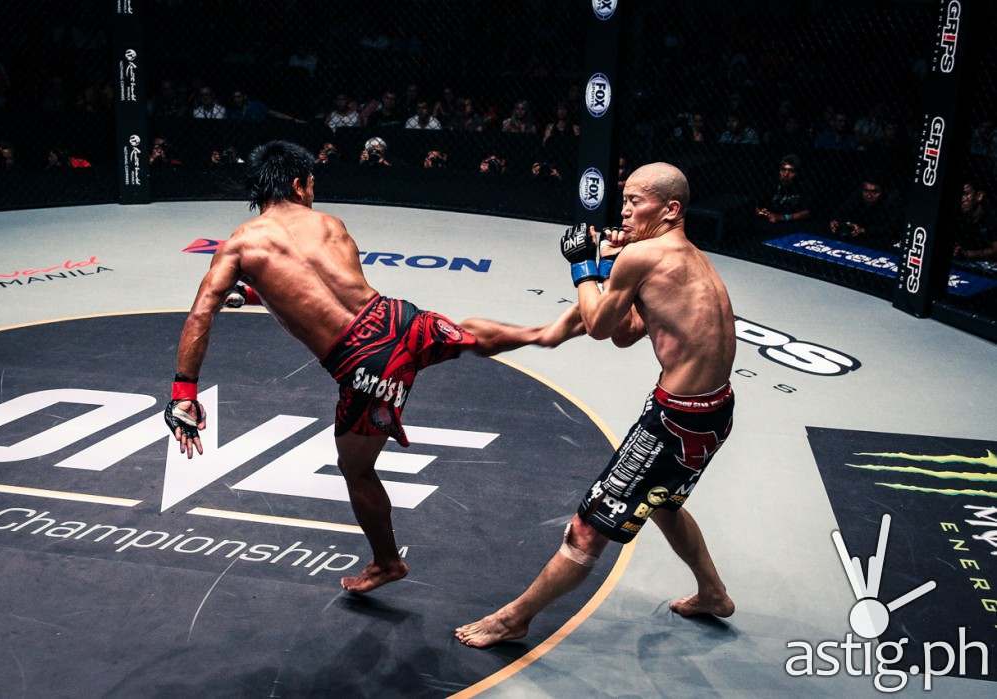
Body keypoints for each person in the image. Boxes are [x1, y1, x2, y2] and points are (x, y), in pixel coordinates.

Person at [165, 141, 582, 594]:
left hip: (364, 365)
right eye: (311, 185)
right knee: (460, 335)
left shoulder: (239, 246)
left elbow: (202, 314)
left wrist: (184, 393)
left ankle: (387, 563)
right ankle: (543, 333)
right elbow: (325, 286)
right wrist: (254, 293)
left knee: (356, 469)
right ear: (298, 184)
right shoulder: (330, 225)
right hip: (397, 320)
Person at [456, 162, 737, 648]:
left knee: (588, 529)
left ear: (670, 209)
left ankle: (515, 618)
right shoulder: (679, 256)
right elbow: (629, 333)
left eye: (637, 202)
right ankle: (713, 593)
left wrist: (584, 265)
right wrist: (608, 264)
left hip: (675, 420)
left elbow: (603, 327)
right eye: (624, 200)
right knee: (665, 503)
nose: (625, 211)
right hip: (713, 412)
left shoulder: (645, 255)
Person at [828, 177, 901, 248]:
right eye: (866, 191)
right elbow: (841, 211)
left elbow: (889, 229)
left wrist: (863, 230)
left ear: (882, 192)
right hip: (857, 234)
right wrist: (835, 220)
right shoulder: (857, 195)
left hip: (880, 240)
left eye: (874, 192)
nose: (869, 195)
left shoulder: (890, 203)